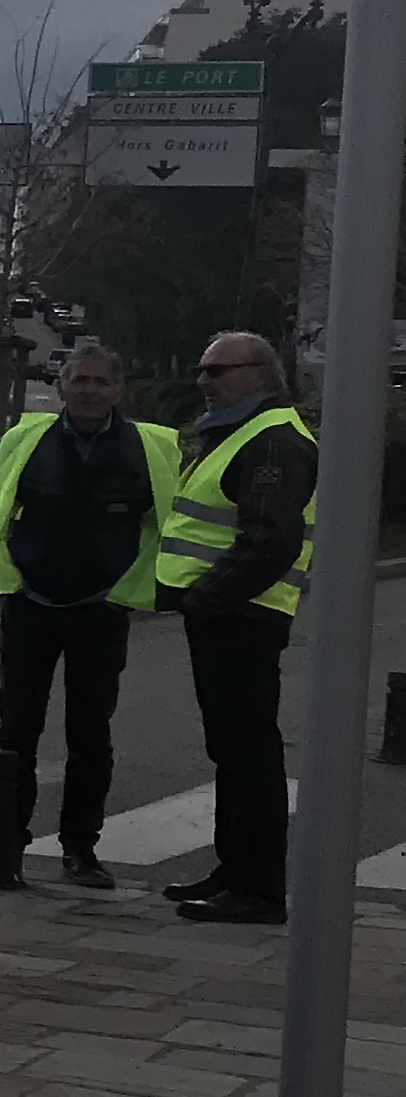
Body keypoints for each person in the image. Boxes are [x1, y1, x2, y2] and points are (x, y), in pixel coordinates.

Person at [0, 338, 178, 890]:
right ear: (61, 386)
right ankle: (3, 847)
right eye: (79, 380)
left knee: (90, 732)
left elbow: (174, 523)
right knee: (16, 729)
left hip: (101, 609)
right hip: (31, 604)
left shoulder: (152, 448)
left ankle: (81, 849)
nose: (89, 391)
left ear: (119, 389)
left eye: (100, 381)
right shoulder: (23, 440)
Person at [158, 329, 317, 924]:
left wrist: (207, 597)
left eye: (216, 371)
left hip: (243, 616)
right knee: (232, 749)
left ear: (259, 374)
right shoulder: (240, 433)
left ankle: (257, 888)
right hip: (231, 614)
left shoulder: (272, 441)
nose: (203, 381)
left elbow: (269, 540)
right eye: (202, 370)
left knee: (249, 751)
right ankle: (236, 870)